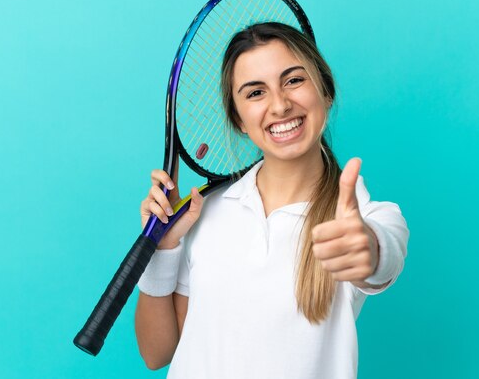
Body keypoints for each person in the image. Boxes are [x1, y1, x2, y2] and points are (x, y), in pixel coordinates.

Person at [134, 22, 409, 379]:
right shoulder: (206, 213)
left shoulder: (367, 218)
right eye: (255, 93)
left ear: (325, 91)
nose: (279, 105)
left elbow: (380, 255)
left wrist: (369, 250)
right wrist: (162, 247)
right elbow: (159, 354)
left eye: (294, 80)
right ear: (239, 120)